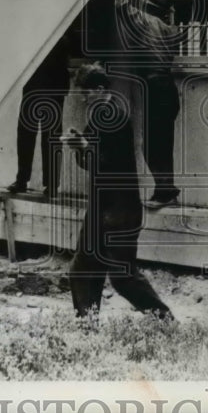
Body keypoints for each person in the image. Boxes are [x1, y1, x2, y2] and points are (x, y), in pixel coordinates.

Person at [64, 62, 173, 320]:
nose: (83, 99)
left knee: (123, 277)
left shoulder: (115, 117)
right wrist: (80, 145)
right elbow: (91, 163)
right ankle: (87, 327)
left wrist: (83, 146)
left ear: (100, 89)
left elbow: (109, 163)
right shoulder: (99, 116)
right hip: (101, 210)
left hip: (121, 213)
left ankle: (165, 320)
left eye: (86, 93)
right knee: (82, 271)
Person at [115, 0, 182, 209]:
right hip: (167, 88)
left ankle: (166, 192)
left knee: (152, 145)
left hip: (155, 87)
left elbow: (122, 6)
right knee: (163, 143)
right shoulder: (171, 29)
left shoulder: (147, 22)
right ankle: (165, 191)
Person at [8, 36, 70, 198]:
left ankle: (52, 184)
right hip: (33, 85)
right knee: (25, 134)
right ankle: (21, 180)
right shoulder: (33, 32)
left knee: (52, 137)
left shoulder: (60, 34)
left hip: (54, 87)